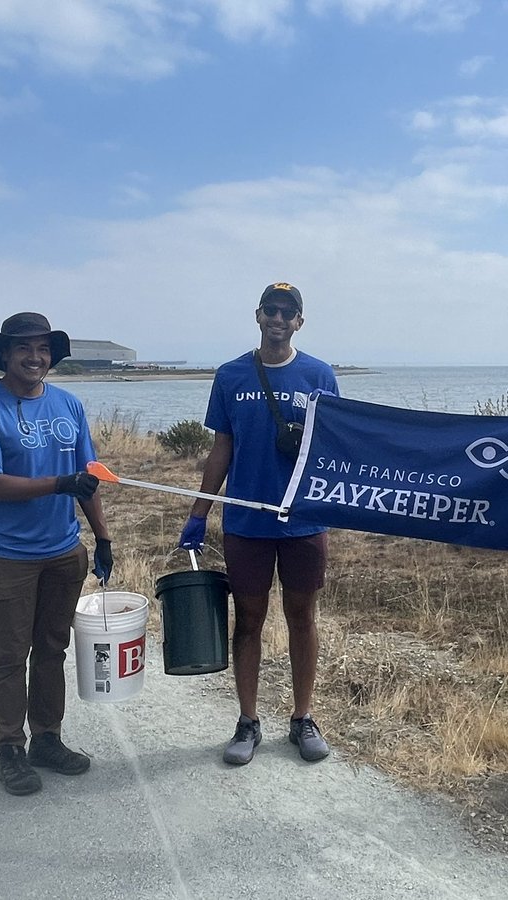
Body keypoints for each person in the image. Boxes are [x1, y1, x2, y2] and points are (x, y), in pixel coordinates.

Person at [178, 283, 339, 766]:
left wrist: (342, 503)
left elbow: (335, 446)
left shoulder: (319, 375)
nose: (278, 318)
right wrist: (198, 513)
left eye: (288, 312)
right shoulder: (230, 376)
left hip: (303, 523)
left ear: (299, 322)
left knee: (301, 617)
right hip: (246, 523)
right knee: (248, 620)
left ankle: (302, 718)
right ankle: (247, 721)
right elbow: (221, 447)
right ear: (258, 315)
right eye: (271, 309)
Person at [0, 312, 114, 796]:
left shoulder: (68, 405)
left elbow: (85, 476)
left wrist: (102, 537)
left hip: (64, 552)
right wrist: (57, 484)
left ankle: (47, 738)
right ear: (5, 354)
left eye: (43, 348)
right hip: (8, 555)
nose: (35, 356)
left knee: (52, 649)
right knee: (9, 654)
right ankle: (9, 748)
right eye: (24, 347)